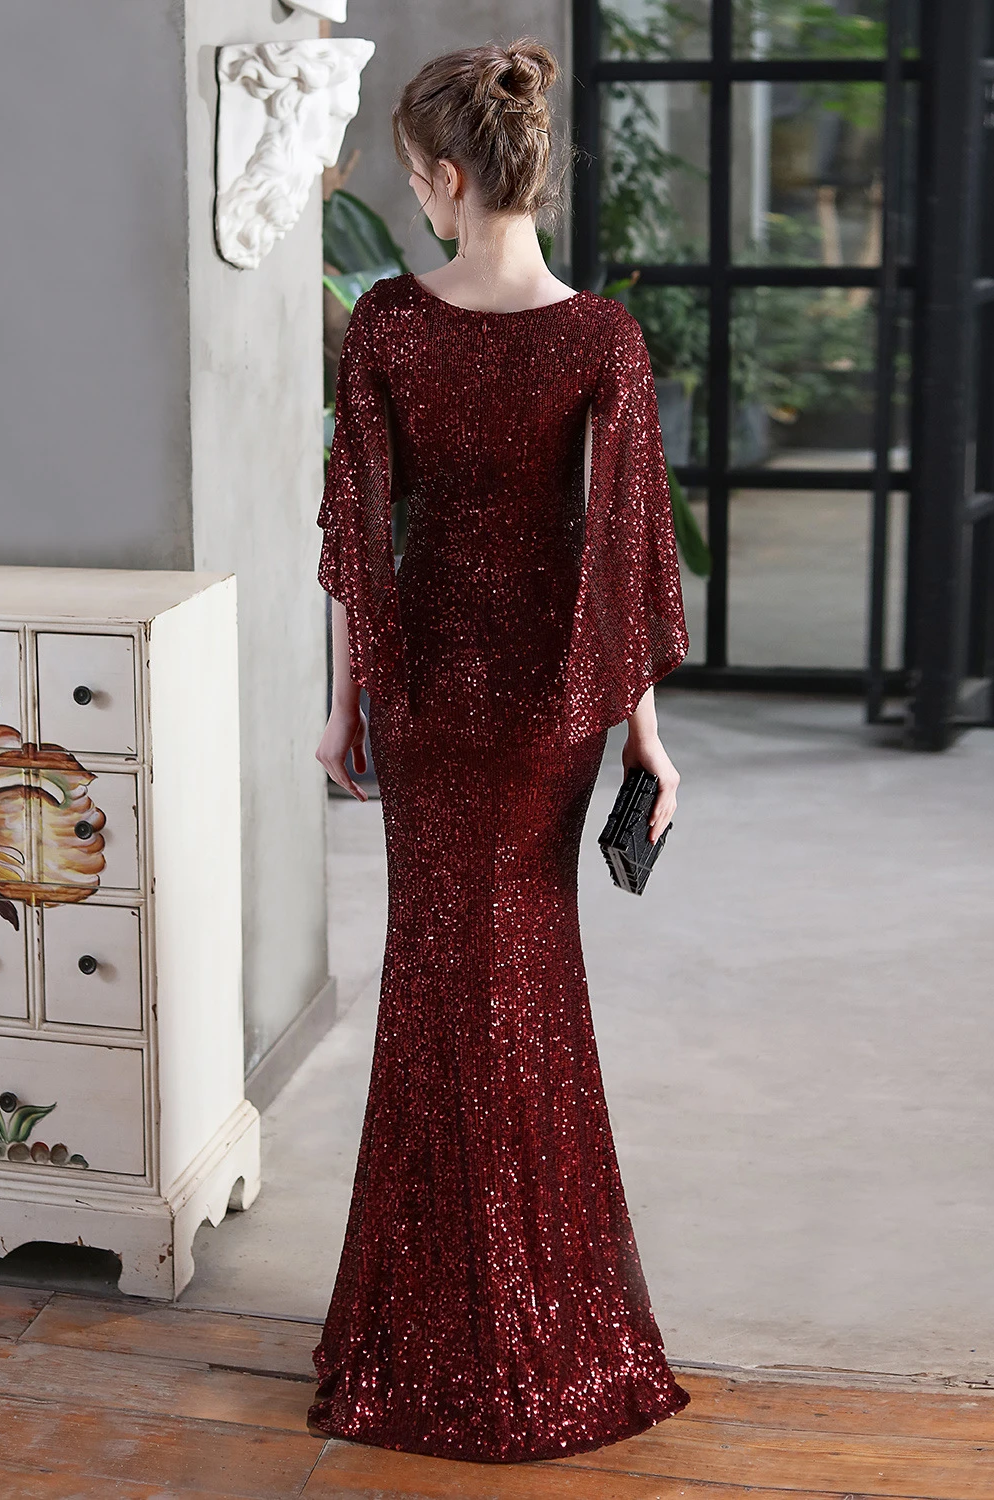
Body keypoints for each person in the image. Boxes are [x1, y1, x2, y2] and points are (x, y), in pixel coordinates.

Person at [309, 36, 691, 1464]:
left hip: (427, 694)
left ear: (451, 180)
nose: (416, 198)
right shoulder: (602, 338)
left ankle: (423, 1334)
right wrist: (644, 736)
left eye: (416, 178)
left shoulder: (388, 325)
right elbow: (627, 557)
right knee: (527, 984)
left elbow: (359, 539)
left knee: (435, 986)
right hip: (547, 707)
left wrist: (346, 706)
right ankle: (551, 1332)